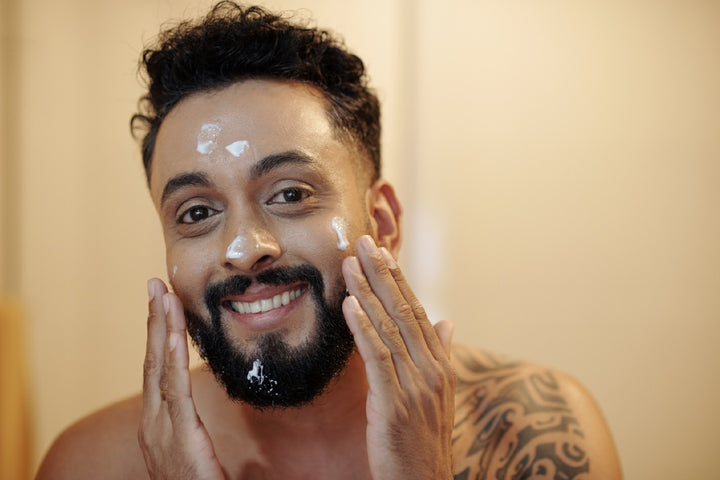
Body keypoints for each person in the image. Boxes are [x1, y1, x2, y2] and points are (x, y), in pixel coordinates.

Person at [36, 2, 622, 479]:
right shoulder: (93, 464)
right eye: (196, 212)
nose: (243, 248)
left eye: (290, 194)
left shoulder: (533, 433)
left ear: (383, 221)